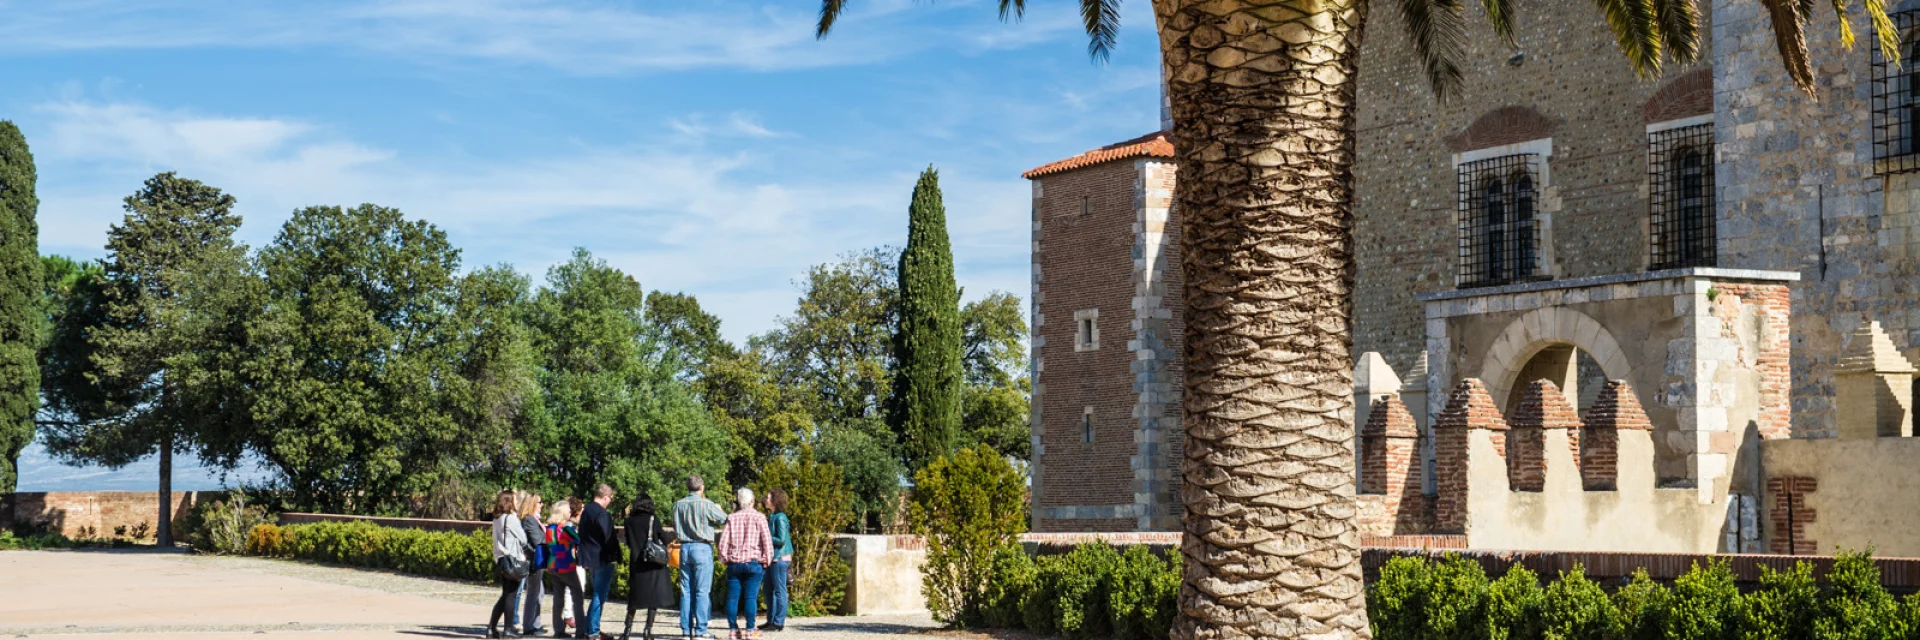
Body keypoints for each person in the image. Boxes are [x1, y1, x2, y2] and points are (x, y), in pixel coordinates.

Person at [672, 475, 728, 639]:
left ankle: (685, 629)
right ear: (701, 487)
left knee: (686, 591)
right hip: (702, 547)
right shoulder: (707, 504)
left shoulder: (678, 505)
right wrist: (719, 507)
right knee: (702, 591)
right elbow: (725, 519)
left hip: (684, 548)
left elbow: (675, 527)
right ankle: (701, 629)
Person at [718, 487, 773, 640]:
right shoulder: (760, 517)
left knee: (732, 597)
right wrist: (767, 559)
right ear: (752, 501)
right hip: (754, 563)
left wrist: (724, 558)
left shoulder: (732, 518)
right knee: (750, 597)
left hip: (734, 563)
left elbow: (723, 542)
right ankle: (750, 629)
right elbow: (766, 541)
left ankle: (733, 630)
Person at [620, 495, 675, 640]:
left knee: (634, 597)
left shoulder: (629, 521)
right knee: (653, 598)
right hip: (652, 563)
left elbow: (628, 542)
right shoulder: (653, 519)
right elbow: (663, 538)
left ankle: (627, 630)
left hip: (636, 562)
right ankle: (647, 630)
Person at [577, 484, 622, 640]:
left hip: (589, 557)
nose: (610, 501)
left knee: (596, 593)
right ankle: (593, 631)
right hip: (602, 557)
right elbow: (608, 538)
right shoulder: (602, 514)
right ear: (605, 497)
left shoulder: (586, 511)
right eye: (610, 498)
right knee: (599, 595)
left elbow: (582, 535)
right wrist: (616, 554)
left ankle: (588, 628)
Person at [490, 491, 533, 639]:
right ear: (509, 502)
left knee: (506, 594)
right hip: (513, 558)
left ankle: (491, 628)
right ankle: (508, 629)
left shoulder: (497, 519)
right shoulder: (511, 519)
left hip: (501, 558)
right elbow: (522, 538)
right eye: (514, 500)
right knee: (511, 595)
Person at [547, 501, 586, 638]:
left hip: (553, 565)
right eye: (568, 511)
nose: (571, 513)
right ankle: (581, 631)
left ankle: (558, 630)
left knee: (558, 599)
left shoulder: (550, 528)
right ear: (563, 513)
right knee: (577, 596)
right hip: (566, 565)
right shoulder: (566, 528)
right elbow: (579, 540)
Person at [758, 490, 792, 633]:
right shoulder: (773, 516)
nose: (765, 499)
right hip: (773, 558)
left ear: (775, 500)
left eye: (768, 497)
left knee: (779, 591)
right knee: (768, 590)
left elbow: (781, 539)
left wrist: (765, 536)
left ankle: (778, 622)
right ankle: (771, 620)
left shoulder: (780, 518)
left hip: (780, 558)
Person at [520, 493, 549, 636]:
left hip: (538, 560)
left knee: (539, 593)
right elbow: (538, 540)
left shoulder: (534, 519)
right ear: (532, 504)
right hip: (533, 561)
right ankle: (528, 626)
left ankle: (535, 624)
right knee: (533, 594)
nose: (542, 504)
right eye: (539, 502)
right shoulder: (529, 520)